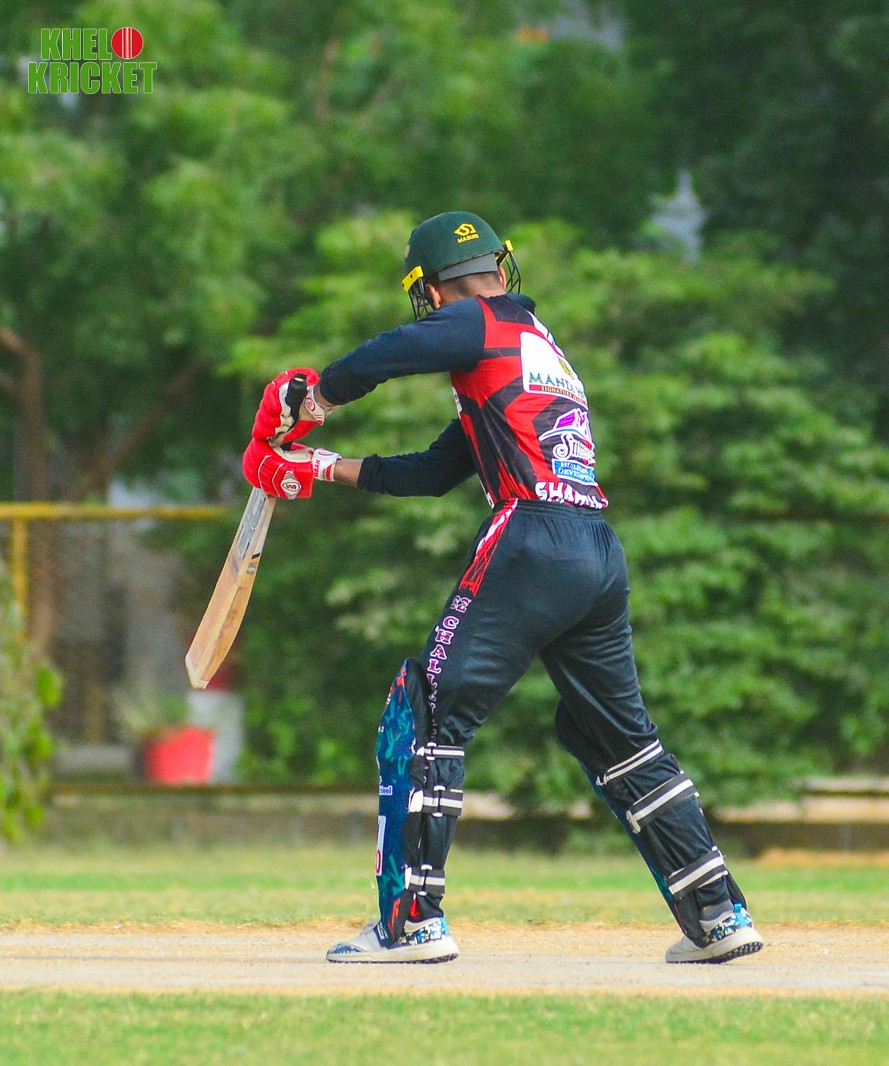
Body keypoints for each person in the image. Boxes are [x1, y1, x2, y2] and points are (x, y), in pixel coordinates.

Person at [242, 211, 764, 965]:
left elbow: (389, 353)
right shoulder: (535, 349)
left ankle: (411, 926)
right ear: (501, 263)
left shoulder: (478, 323)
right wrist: (319, 466)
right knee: (621, 739)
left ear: (431, 289)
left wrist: (312, 399)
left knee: (423, 717)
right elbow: (431, 472)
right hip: (595, 552)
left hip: (532, 540)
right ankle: (718, 916)